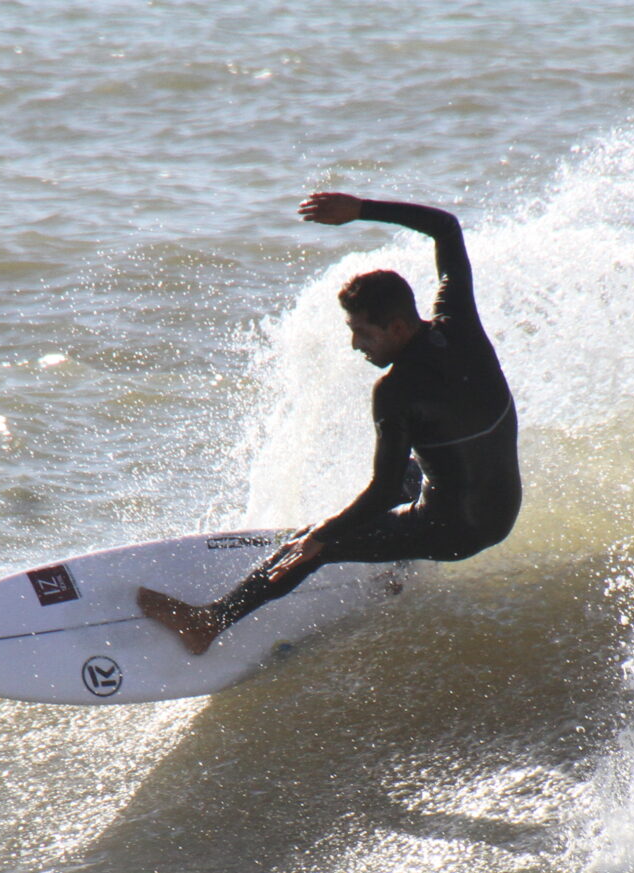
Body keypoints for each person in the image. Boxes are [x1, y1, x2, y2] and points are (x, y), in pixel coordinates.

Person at [136, 192, 519, 654]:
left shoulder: (395, 392)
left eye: (363, 332)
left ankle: (209, 623)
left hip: (453, 532)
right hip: (502, 510)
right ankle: (396, 574)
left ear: (397, 327)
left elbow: (382, 491)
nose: (357, 345)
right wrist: (362, 210)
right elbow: (446, 227)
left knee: (315, 544)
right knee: (413, 473)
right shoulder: (459, 324)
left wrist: (322, 535)